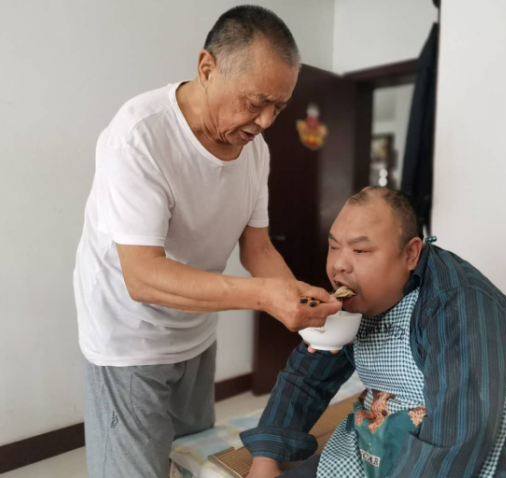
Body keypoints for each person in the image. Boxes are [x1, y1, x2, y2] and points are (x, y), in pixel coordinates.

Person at [73, 6, 341, 478]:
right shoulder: (139, 136)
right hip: (128, 337)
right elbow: (142, 275)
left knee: (191, 459)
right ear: (206, 68)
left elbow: (257, 249)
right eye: (255, 102)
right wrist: (265, 296)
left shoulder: (255, 151)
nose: (265, 121)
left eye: (279, 107)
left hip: (196, 333)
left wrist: (300, 301)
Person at [244, 187, 506, 478]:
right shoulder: (350, 300)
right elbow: (307, 376)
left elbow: (459, 430)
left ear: (410, 253)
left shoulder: (459, 303)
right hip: (387, 436)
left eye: (360, 251)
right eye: (334, 247)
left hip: (485, 443)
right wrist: (265, 460)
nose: (339, 266)